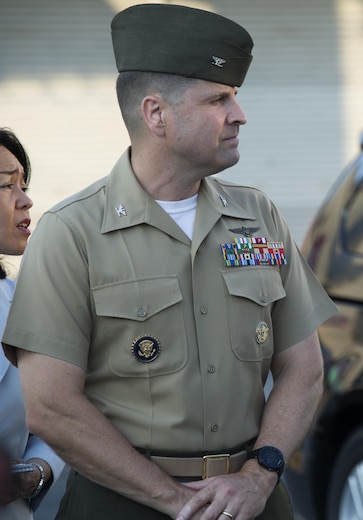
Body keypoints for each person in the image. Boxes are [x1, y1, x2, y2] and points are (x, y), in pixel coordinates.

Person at [1, 5, 337, 520]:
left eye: (235, 98)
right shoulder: (72, 233)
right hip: (121, 503)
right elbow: (50, 406)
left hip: (253, 503)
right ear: (156, 114)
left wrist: (259, 474)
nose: (239, 114)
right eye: (218, 99)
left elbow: (304, 368)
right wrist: (175, 501)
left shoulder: (259, 216)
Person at [0, 128, 66, 519]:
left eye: (23, 184)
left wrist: (37, 471)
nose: (26, 201)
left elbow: (61, 409)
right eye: (8, 185)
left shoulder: (27, 301)